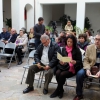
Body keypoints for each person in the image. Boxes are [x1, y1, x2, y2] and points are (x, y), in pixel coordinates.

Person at [73, 33, 100, 100]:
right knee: (79, 74)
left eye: (99, 40)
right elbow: (85, 60)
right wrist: (87, 69)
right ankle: (79, 94)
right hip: (90, 67)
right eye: (96, 39)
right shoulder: (89, 47)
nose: (97, 41)